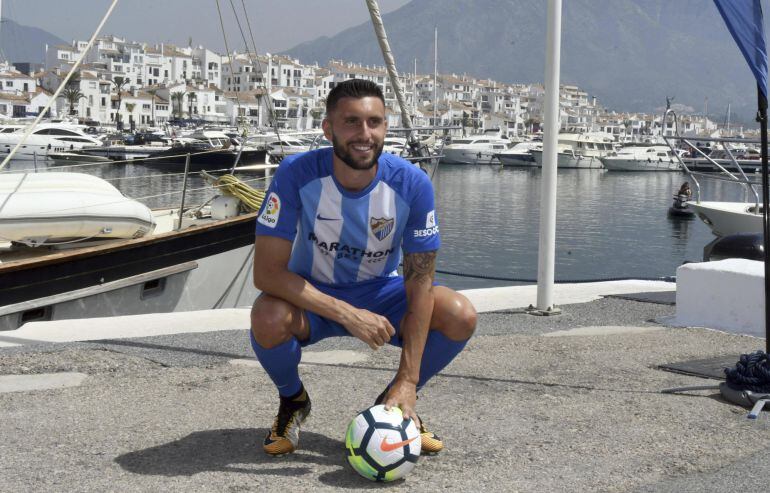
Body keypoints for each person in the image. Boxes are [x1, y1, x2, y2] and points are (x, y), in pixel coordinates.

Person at [250, 78, 477, 456]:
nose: (364, 133)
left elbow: (420, 281)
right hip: (314, 296)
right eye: (351, 122)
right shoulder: (296, 173)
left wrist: (408, 378)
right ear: (328, 128)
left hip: (379, 294)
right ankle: (293, 400)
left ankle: (395, 404)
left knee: (459, 314)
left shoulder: (412, 184)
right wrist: (348, 314)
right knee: (267, 316)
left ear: (386, 126)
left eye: (375, 122)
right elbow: (267, 274)